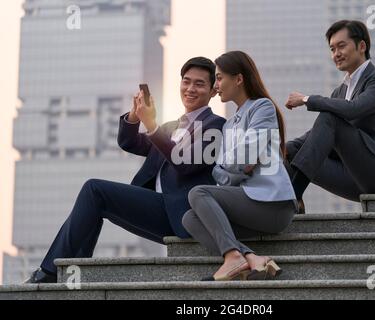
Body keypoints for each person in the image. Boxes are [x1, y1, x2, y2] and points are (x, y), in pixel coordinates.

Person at [25, 57, 226, 283]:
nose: (190, 88)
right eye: (186, 81)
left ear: (212, 91)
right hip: (156, 207)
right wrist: (136, 114)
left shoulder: (216, 126)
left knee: (94, 189)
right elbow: (129, 142)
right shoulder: (170, 128)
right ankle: (70, 271)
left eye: (199, 84)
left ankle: (49, 273)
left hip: (183, 213)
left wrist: (151, 126)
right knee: (95, 199)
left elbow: (185, 164)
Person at [182, 51, 298, 281]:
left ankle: (234, 258)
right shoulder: (229, 125)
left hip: (273, 204)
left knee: (198, 192)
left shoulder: (262, 107)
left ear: (238, 79)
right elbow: (229, 173)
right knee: (190, 219)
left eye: (219, 78)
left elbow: (244, 158)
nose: (216, 85)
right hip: (250, 202)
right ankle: (250, 258)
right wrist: (237, 166)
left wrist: (234, 165)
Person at [284, 20, 375, 214]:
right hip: (357, 178)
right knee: (290, 150)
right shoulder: (340, 92)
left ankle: (293, 194)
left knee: (330, 118)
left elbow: (354, 109)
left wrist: (306, 99)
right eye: (332, 49)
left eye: (341, 46)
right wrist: (278, 149)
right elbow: (315, 137)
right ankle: (294, 205)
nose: (336, 54)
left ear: (362, 46)